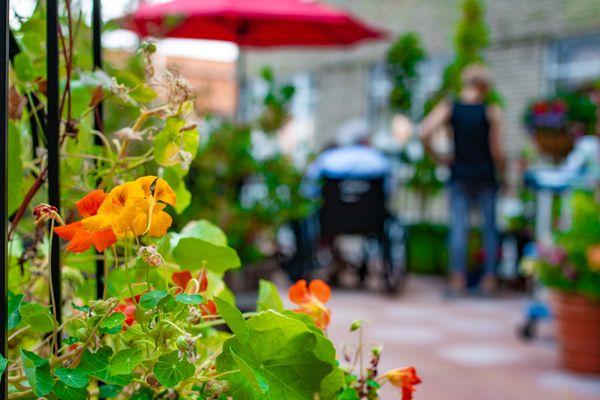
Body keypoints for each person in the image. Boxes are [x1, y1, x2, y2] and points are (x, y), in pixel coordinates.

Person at [421, 65, 506, 296]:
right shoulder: (491, 111)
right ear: (485, 86)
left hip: (459, 174)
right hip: (485, 175)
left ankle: (458, 281)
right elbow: (496, 149)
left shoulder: (450, 107)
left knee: (459, 229)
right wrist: (504, 172)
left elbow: (424, 131)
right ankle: (489, 280)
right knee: (489, 230)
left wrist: (439, 158)